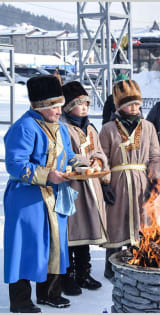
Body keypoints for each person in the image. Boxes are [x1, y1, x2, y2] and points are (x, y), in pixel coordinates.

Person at [4, 75, 85, 312]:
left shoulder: (60, 128)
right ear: (41, 107)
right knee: (26, 247)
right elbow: (15, 164)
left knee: (55, 245)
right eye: (56, 106)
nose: (61, 111)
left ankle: (49, 293)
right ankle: (20, 301)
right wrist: (47, 174)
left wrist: (79, 166)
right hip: (27, 199)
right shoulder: (24, 127)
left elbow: (68, 155)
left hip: (54, 196)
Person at [99, 79, 160, 279]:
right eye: (129, 104)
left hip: (141, 179)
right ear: (120, 106)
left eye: (136, 104)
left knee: (141, 222)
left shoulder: (149, 127)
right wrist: (105, 183)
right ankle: (112, 263)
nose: (134, 108)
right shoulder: (108, 129)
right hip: (118, 181)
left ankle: (139, 259)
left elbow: (155, 156)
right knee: (117, 222)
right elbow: (102, 158)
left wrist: (154, 179)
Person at [60, 81, 109, 295]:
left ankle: (83, 272)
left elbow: (97, 150)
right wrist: (81, 161)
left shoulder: (90, 127)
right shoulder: (62, 127)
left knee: (86, 232)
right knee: (71, 233)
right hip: (71, 187)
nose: (84, 108)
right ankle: (67, 276)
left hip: (91, 185)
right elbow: (62, 155)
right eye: (79, 104)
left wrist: (98, 161)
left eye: (87, 104)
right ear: (68, 106)